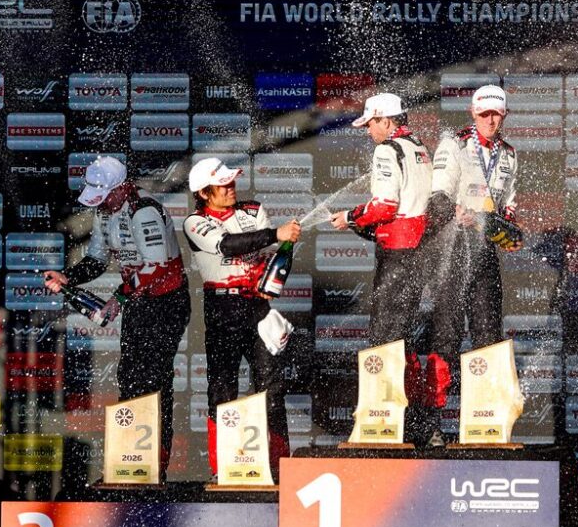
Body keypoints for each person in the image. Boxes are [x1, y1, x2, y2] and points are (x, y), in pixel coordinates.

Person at [44, 155, 188, 476]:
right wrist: (69, 276)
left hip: (166, 302)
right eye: (96, 196)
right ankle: (131, 460)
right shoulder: (104, 211)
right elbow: (97, 260)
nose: (101, 202)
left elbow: (157, 268)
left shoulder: (144, 210)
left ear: (122, 187)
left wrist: (118, 298)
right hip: (138, 300)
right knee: (130, 378)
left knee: (153, 379)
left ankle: (156, 466)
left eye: (105, 195)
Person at [183, 157, 301, 480]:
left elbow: (275, 254)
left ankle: (279, 467)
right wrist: (275, 233)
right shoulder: (194, 222)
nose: (231, 187)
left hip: (257, 307)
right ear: (204, 193)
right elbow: (227, 245)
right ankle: (222, 470)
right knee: (222, 390)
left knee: (271, 387)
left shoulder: (253, 211)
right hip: (222, 308)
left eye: (232, 181)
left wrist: (279, 261)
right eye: (223, 185)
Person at [330, 93, 434, 429]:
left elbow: (385, 206)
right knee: (402, 337)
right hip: (419, 251)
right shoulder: (419, 146)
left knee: (384, 336)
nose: (368, 130)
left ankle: (385, 422)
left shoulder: (387, 149)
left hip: (397, 253)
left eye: (371, 123)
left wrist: (350, 217)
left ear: (387, 121)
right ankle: (413, 420)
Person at [426, 84, 522, 416]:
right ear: (473, 112)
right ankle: (434, 424)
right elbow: (437, 199)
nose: (490, 121)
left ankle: (485, 418)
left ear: (505, 115)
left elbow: (508, 207)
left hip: (484, 250)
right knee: (446, 334)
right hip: (453, 247)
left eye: (496, 114)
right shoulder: (454, 144)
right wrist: (457, 212)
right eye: (484, 114)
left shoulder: (509, 154)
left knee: (488, 333)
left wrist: (508, 230)